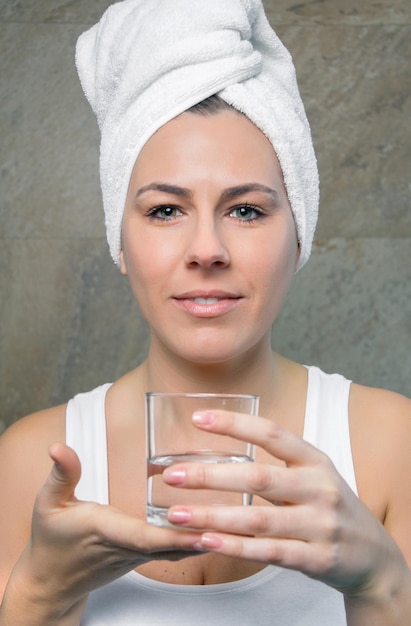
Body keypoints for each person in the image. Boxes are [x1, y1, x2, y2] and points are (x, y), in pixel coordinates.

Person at [0, 0, 410, 624]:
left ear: (299, 236)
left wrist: (381, 585)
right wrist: (38, 597)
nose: (207, 250)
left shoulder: (393, 445)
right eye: (165, 210)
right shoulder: (31, 458)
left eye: (246, 210)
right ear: (120, 241)